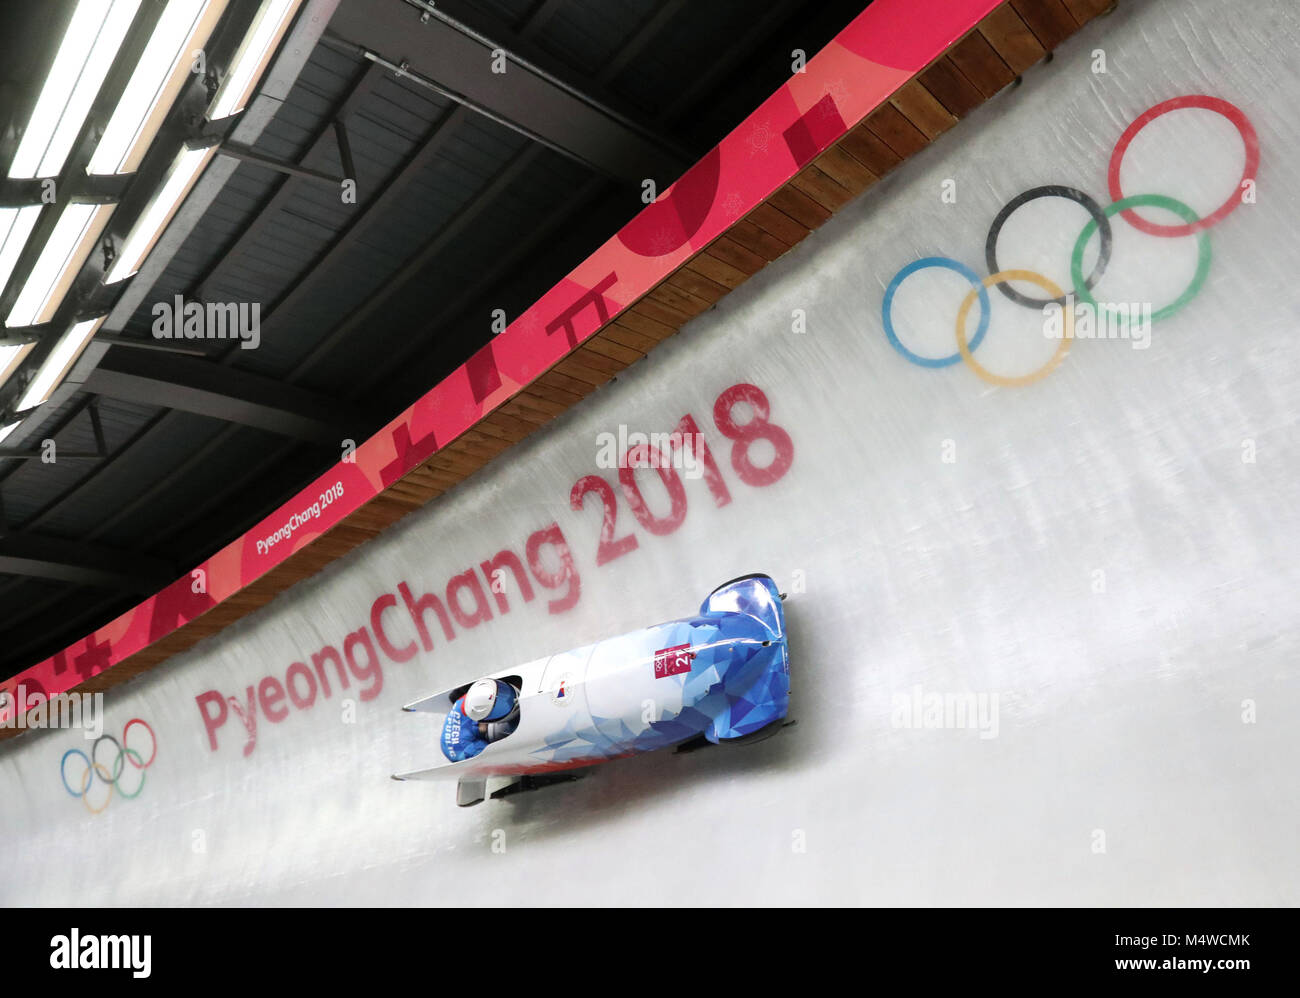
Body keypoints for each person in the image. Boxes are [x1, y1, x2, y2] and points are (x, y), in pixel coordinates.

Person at [440, 677, 520, 762]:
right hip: (461, 750)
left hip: (468, 727)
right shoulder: (471, 749)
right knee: (499, 732)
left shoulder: (475, 695)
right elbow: (498, 760)